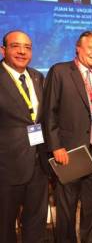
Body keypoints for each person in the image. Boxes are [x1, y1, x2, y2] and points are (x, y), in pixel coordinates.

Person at [43, 31, 92, 243]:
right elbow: (49, 112)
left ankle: (90, 239)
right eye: (91, 47)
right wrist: (56, 147)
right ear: (77, 48)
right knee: (67, 206)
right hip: (69, 152)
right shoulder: (60, 71)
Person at [0, 30, 48, 243]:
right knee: (4, 226)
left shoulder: (38, 76)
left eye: (27, 47)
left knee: (36, 222)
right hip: (6, 167)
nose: (22, 51)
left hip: (38, 164)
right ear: (3, 49)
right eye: (15, 46)